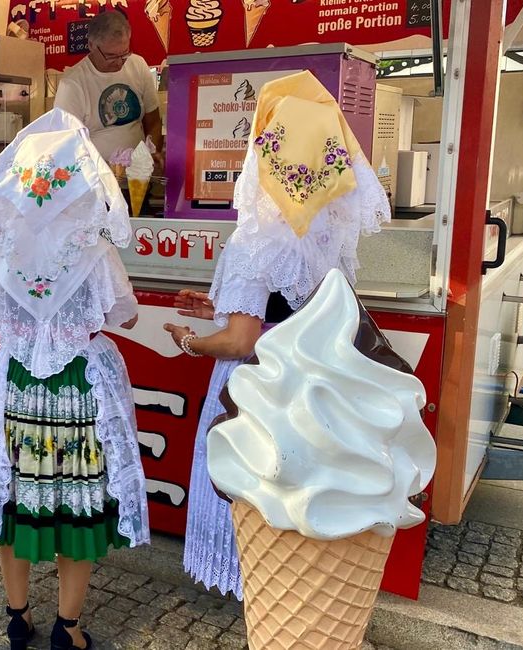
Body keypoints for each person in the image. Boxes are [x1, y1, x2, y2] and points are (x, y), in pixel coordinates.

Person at [165, 71, 390, 598]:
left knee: (251, 501)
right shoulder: (332, 236)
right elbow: (292, 312)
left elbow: (242, 343)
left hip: (258, 394)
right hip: (314, 392)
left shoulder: (256, 239)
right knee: (294, 509)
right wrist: (222, 307)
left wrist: (189, 339)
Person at [0, 109, 150, 650]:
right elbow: (123, 316)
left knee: (15, 499)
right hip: (79, 386)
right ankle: (69, 626)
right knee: (75, 502)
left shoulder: (1, 251)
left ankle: (17, 616)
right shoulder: (95, 248)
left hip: (16, 386)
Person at [52, 11, 164, 168]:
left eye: (124, 54)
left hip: (138, 176)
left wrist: (151, 152)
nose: (119, 63)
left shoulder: (137, 65)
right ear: (91, 45)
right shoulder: (72, 85)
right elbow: (65, 144)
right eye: (111, 56)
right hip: (96, 180)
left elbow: (153, 120)